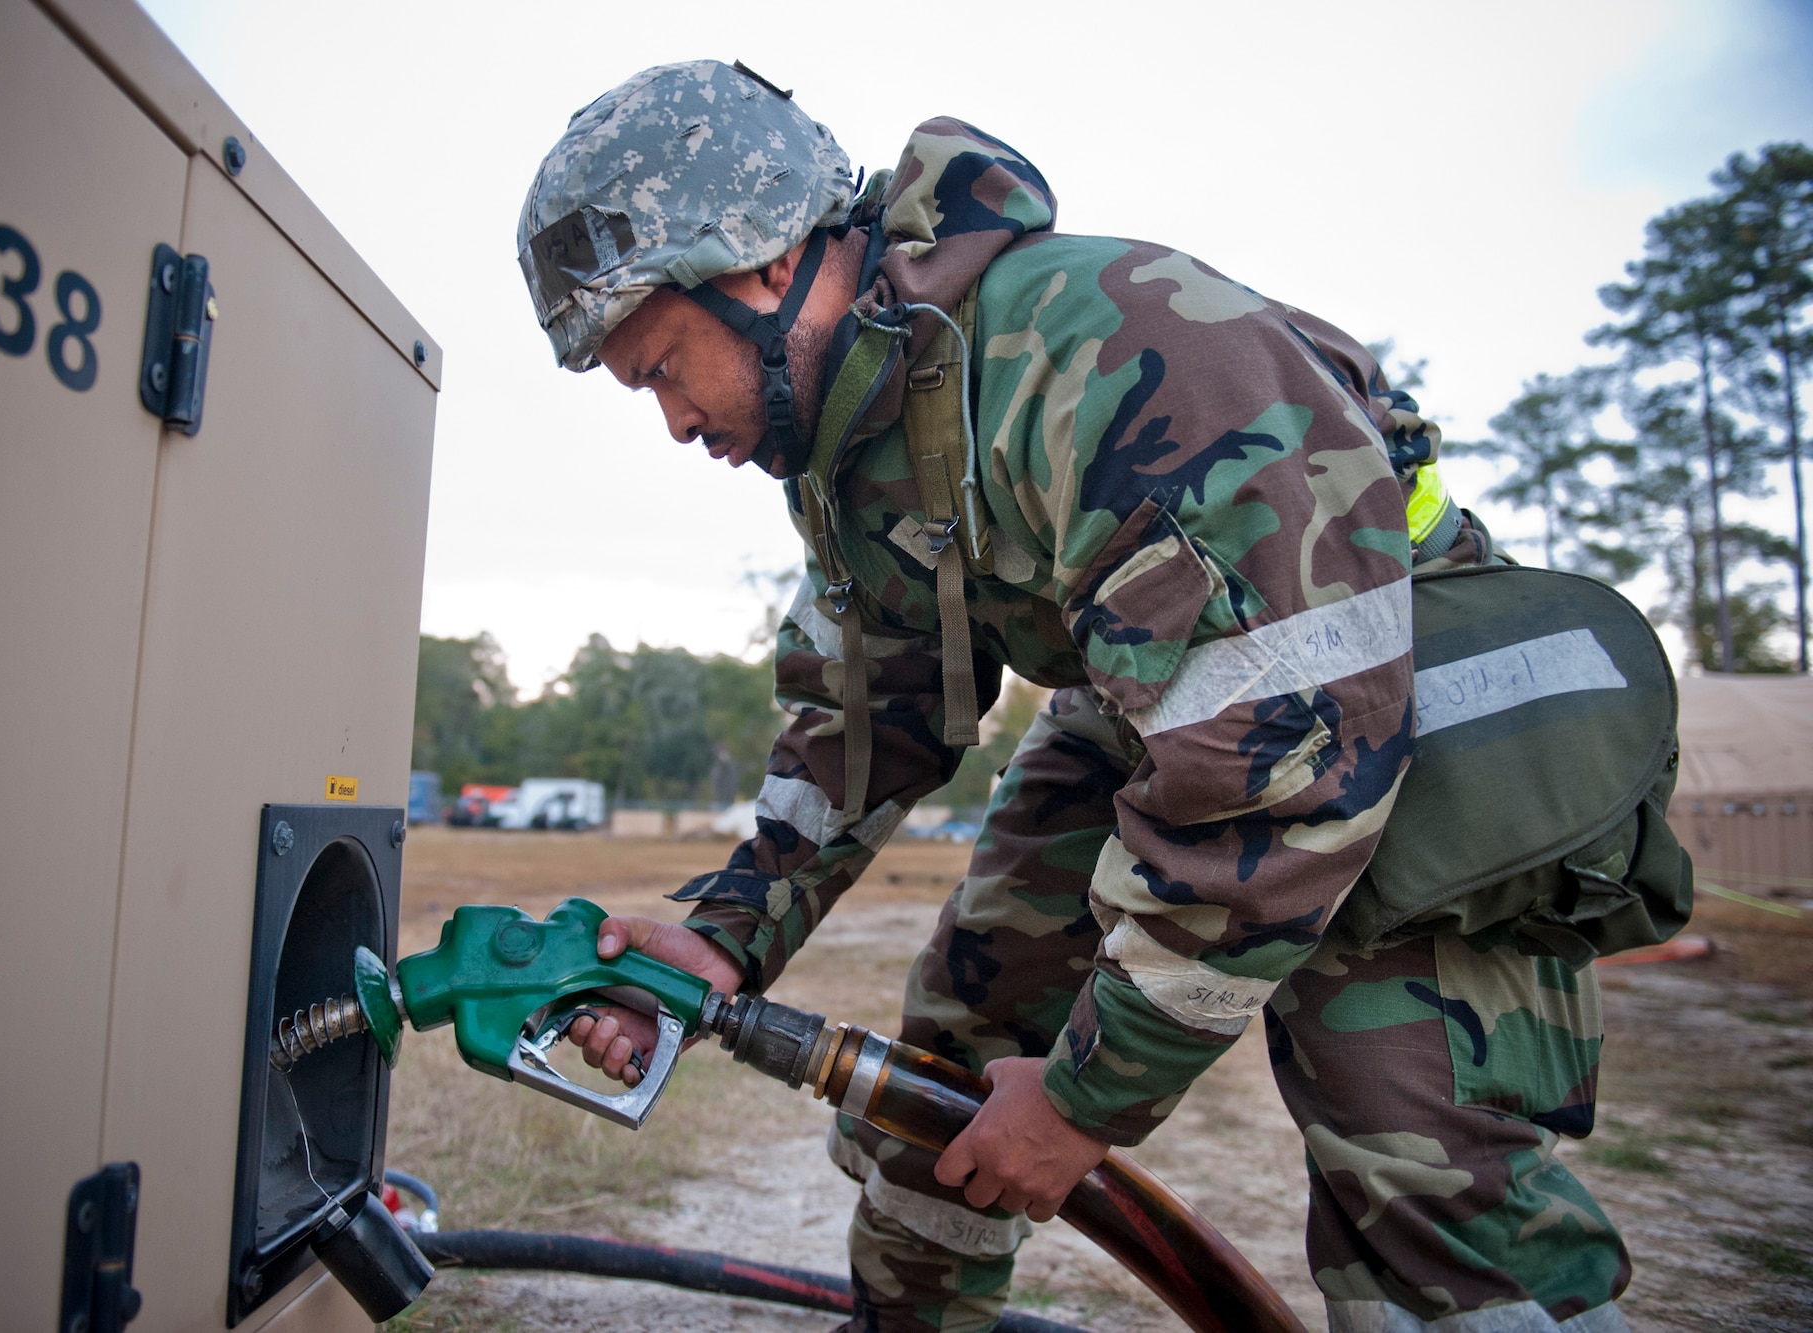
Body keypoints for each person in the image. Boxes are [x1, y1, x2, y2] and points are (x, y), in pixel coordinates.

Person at [518, 60, 1632, 1333]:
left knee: (1419, 1162)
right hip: (1159, 708)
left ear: (763, 268)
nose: (669, 423)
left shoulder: (1103, 347)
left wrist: (1078, 1105)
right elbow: (866, 717)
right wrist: (726, 933)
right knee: (950, 1055)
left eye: (661, 365)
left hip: (1386, 707)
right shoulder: (851, 443)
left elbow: (1280, 761)